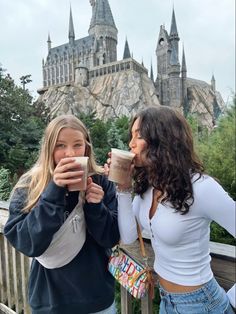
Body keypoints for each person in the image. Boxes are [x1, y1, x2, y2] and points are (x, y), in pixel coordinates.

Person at [114, 106, 235, 313]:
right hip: (166, 302)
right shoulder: (148, 187)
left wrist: (232, 299)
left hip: (202, 305)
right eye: (131, 136)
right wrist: (124, 189)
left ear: (162, 139)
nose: (130, 144)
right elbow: (127, 236)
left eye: (139, 136)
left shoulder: (201, 188)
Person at [4, 115, 119, 314]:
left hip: (97, 300)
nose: (70, 153)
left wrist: (95, 207)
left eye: (77, 145)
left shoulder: (100, 180)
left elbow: (111, 237)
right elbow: (27, 242)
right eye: (60, 146)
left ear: (87, 147)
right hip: (50, 301)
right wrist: (54, 191)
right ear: (49, 148)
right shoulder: (30, 184)